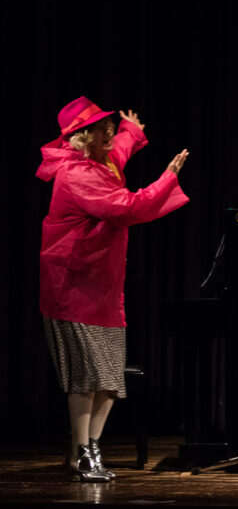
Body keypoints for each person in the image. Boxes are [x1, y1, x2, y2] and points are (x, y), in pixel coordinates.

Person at [37, 97, 189, 481]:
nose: (111, 132)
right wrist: (167, 178)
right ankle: (83, 456)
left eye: (110, 126)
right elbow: (129, 208)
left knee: (108, 380)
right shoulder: (76, 176)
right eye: (103, 128)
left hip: (102, 289)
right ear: (83, 136)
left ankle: (87, 452)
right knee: (86, 377)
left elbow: (118, 151)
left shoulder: (98, 161)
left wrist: (131, 132)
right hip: (72, 288)